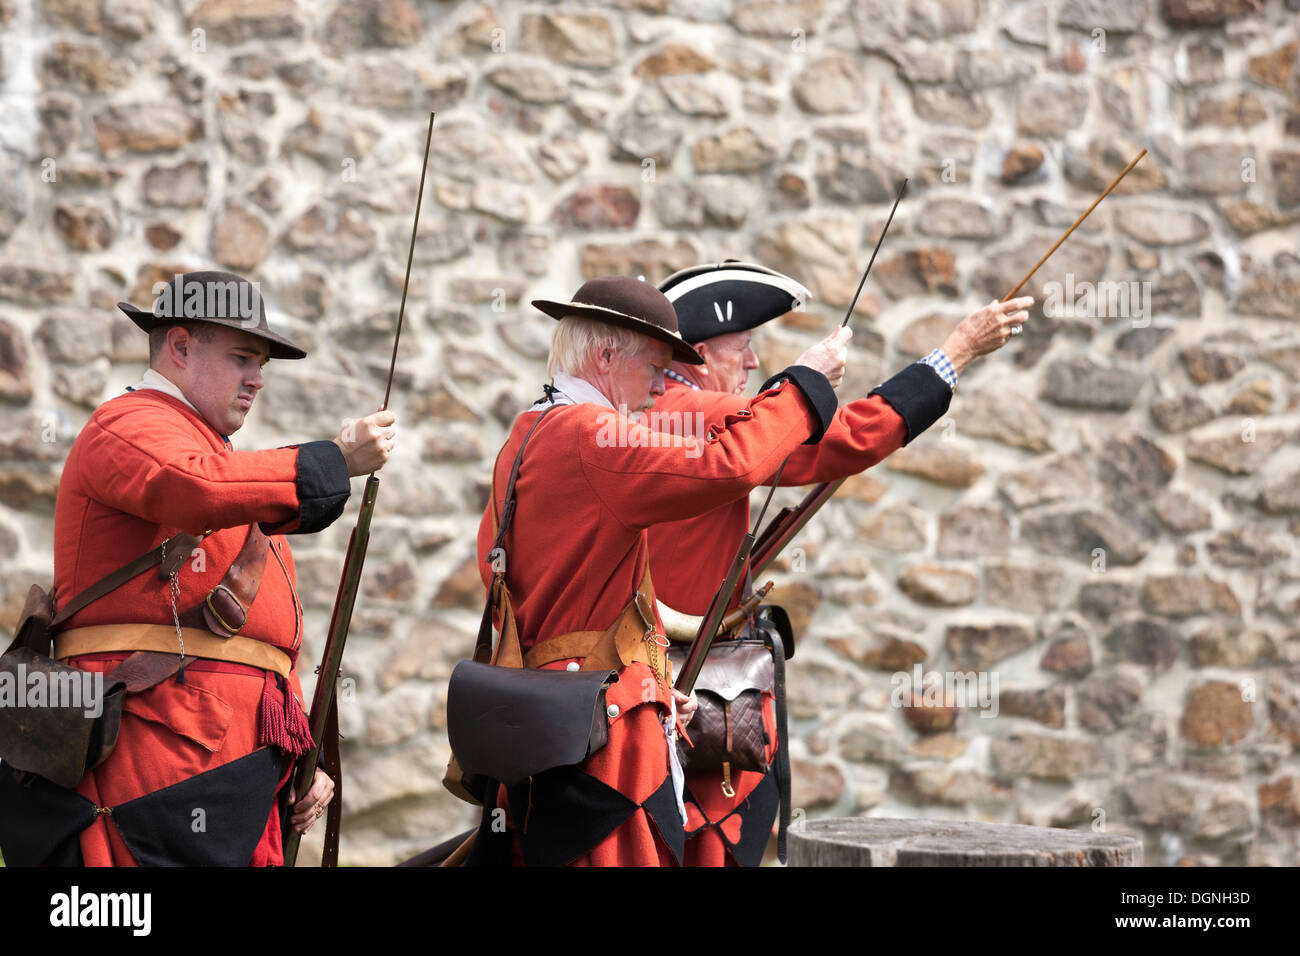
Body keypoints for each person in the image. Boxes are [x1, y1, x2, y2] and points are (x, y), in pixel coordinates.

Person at [0, 269, 396, 866]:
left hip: (238, 773)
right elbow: (192, 489)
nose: (258, 378)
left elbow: (264, 646)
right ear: (180, 347)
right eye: (243, 357)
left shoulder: (233, 468)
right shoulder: (128, 423)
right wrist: (331, 461)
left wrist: (294, 756)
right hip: (155, 758)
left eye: (262, 363)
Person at [648, 260, 1033, 866]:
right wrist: (954, 354)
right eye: (742, 348)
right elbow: (845, 439)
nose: (752, 364)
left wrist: (793, 392)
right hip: (679, 693)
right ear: (697, 353)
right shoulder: (689, 414)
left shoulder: (668, 413)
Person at [469, 275, 846, 866]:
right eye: (652, 369)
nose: (656, 392)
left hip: (556, 711)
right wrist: (802, 387)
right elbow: (730, 465)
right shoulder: (593, 432)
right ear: (605, 356)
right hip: (600, 730)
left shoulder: (527, 430)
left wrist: (652, 685)